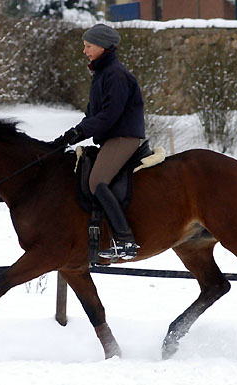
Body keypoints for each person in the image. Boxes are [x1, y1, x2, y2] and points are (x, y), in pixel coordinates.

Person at [51, 23, 145, 260]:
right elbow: (93, 115)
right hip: (111, 137)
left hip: (124, 137)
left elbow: (108, 116)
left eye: (88, 46)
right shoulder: (102, 73)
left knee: (97, 181)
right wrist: (71, 136)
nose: (84, 51)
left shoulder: (116, 74)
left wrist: (79, 131)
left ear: (103, 46)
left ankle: (125, 240)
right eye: (84, 46)